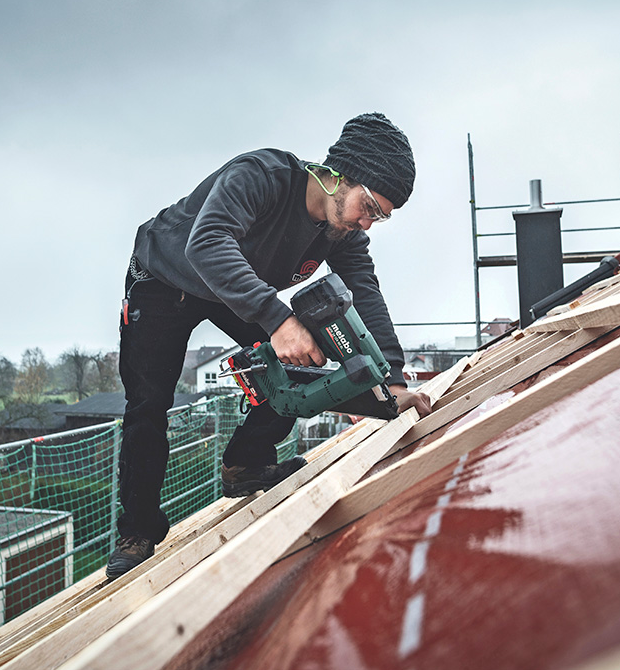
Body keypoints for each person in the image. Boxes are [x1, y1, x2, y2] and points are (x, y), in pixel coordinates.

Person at [106, 112, 433, 578]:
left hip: (225, 288)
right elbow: (208, 243)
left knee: (306, 361)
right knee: (148, 404)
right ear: (342, 175)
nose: (368, 222)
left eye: (380, 217)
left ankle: (246, 464)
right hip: (164, 279)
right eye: (370, 207)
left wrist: (394, 382)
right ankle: (137, 531)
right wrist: (277, 319)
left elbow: (365, 292)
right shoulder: (262, 176)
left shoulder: (342, 232)